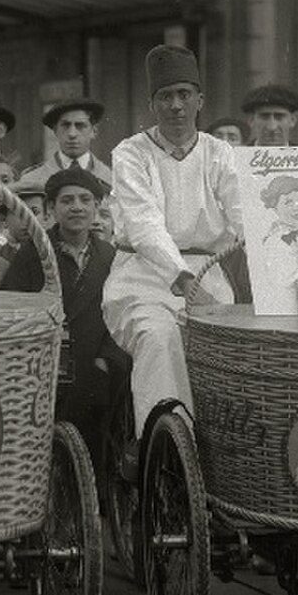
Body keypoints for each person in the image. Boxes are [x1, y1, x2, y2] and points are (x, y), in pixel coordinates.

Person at [103, 45, 243, 445]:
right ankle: (165, 452)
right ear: (152, 104)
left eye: (185, 94)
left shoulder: (220, 154)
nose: (176, 105)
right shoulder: (131, 154)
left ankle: (226, 455)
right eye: (166, 96)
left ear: (200, 100)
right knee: (160, 338)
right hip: (142, 280)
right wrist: (181, 278)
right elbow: (145, 225)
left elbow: (242, 212)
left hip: (209, 281)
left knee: (235, 351)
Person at [2, 167, 127, 475]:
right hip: (47, 372)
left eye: (85, 200)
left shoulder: (111, 257)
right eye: (67, 200)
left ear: (96, 207)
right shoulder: (34, 253)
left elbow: (124, 311)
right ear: (51, 209)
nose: (77, 207)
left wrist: (107, 360)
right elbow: (12, 308)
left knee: (99, 449)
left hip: (97, 369)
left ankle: (98, 508)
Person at [19, 99, 115, 194]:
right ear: (55, 131)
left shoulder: (112, 179)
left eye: (80, 125)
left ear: (94, 131)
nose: (72, 134)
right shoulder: (31, 179)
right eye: (65, 125)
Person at [241, 83, 298, 148]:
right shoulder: (238, 156)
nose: (272, 127)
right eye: (264, 117)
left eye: (279, 117)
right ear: (251, 120)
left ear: (292, 120)